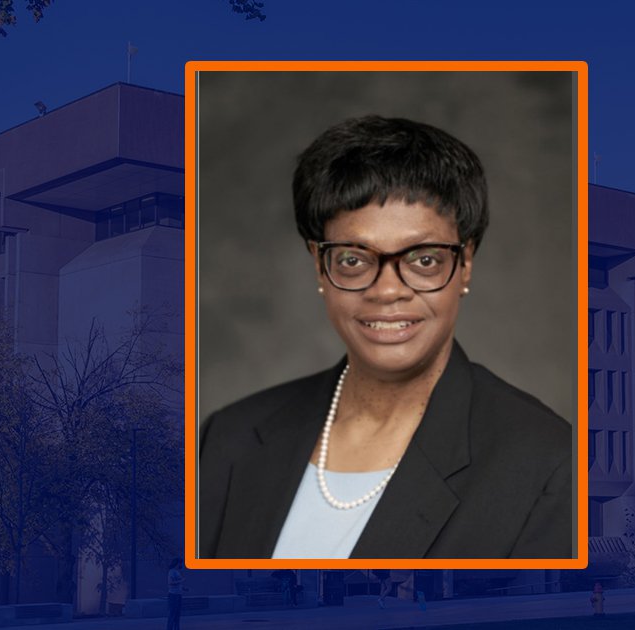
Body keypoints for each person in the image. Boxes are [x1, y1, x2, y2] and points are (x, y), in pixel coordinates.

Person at [199, 115, 572, 559]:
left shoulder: (548, 462)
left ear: (466, 262)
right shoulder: (230, 437)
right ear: (319, 264)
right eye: (354, 260)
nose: (388, 290)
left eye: (425, 260)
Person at [165, 558, 184, 630]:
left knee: (177, 614)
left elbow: (177, 583)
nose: (181, 565)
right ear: (177, 563)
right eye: (180, 563)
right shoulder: (171, 572)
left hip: (178, 595)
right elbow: (170, 582)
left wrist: (183, 588)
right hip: (173, 595)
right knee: (172, 614)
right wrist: (181, 580)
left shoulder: (177, 572)